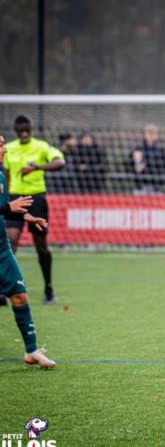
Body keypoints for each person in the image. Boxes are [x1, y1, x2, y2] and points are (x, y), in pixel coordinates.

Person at [0, 133, 55, 368]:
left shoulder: (1, 175)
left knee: (19, 296)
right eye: (0, 144)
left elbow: (5, 210)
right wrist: (7, 206)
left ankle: (31, 350)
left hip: (1, 249)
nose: (4, 149)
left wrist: (28, 217)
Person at [3, 115, 65, 305]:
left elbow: (60, 162)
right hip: (14, 199)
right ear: (15, 130)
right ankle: (5, 290)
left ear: (31, 129)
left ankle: (48, 288)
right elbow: (5, 176)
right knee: (10, 243)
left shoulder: (41, 146)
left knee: (41, 246)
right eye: (20, 129)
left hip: (36, 199)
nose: (23, 133)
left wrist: (37, 167)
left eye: (26, 129)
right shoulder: (9, 148)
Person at [127, 124, 162, 194]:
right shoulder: (138, 148)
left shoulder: (160, 150)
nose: (151, 135)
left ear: (157, 135)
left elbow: (163, 166)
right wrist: (136, 165)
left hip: (155, 187)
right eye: (149, 133)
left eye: (154, 133)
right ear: (145, 134)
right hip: (140, 186)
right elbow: (129, 164)